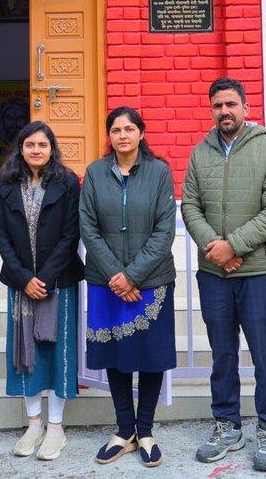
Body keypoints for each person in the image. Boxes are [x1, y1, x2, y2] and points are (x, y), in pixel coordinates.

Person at [180, 77, 266, 471]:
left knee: (264, 356)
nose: (224, 111)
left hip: (258, 272)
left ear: (246, 108)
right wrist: (216, 247)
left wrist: (235, 246)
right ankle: (227, 425)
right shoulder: (200, 153)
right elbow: (190, 206)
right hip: (214, 274)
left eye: (230, 104)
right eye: (217, 106)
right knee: (222, 354)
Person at [79, 107, 177, 468]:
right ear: (109, 136)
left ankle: (145, 431)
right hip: (106, 283)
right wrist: (116, 275)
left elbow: (164, 230)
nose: (123, 135)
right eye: (116, 130)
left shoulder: (159, 172)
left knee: (151, 356)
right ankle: (124, 431)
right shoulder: (95, 173)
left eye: (129, 129)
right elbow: (88, 227)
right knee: (115, 355)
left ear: (141, 133)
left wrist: (132, 276)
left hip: (150, 281)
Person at [0, 121, 83, 462]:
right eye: (29, 144)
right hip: (21, 285)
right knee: (25, 352)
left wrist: (44, 277)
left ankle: (56, 427)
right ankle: (34, 424)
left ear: (51, 148)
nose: (36, 150)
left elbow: (71, 234)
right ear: (20, 148)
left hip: (58, 282)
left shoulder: (67, 182)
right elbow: (2, 236)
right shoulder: (6, 184)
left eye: (42, 145)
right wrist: (23, 278)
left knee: (57, 352)